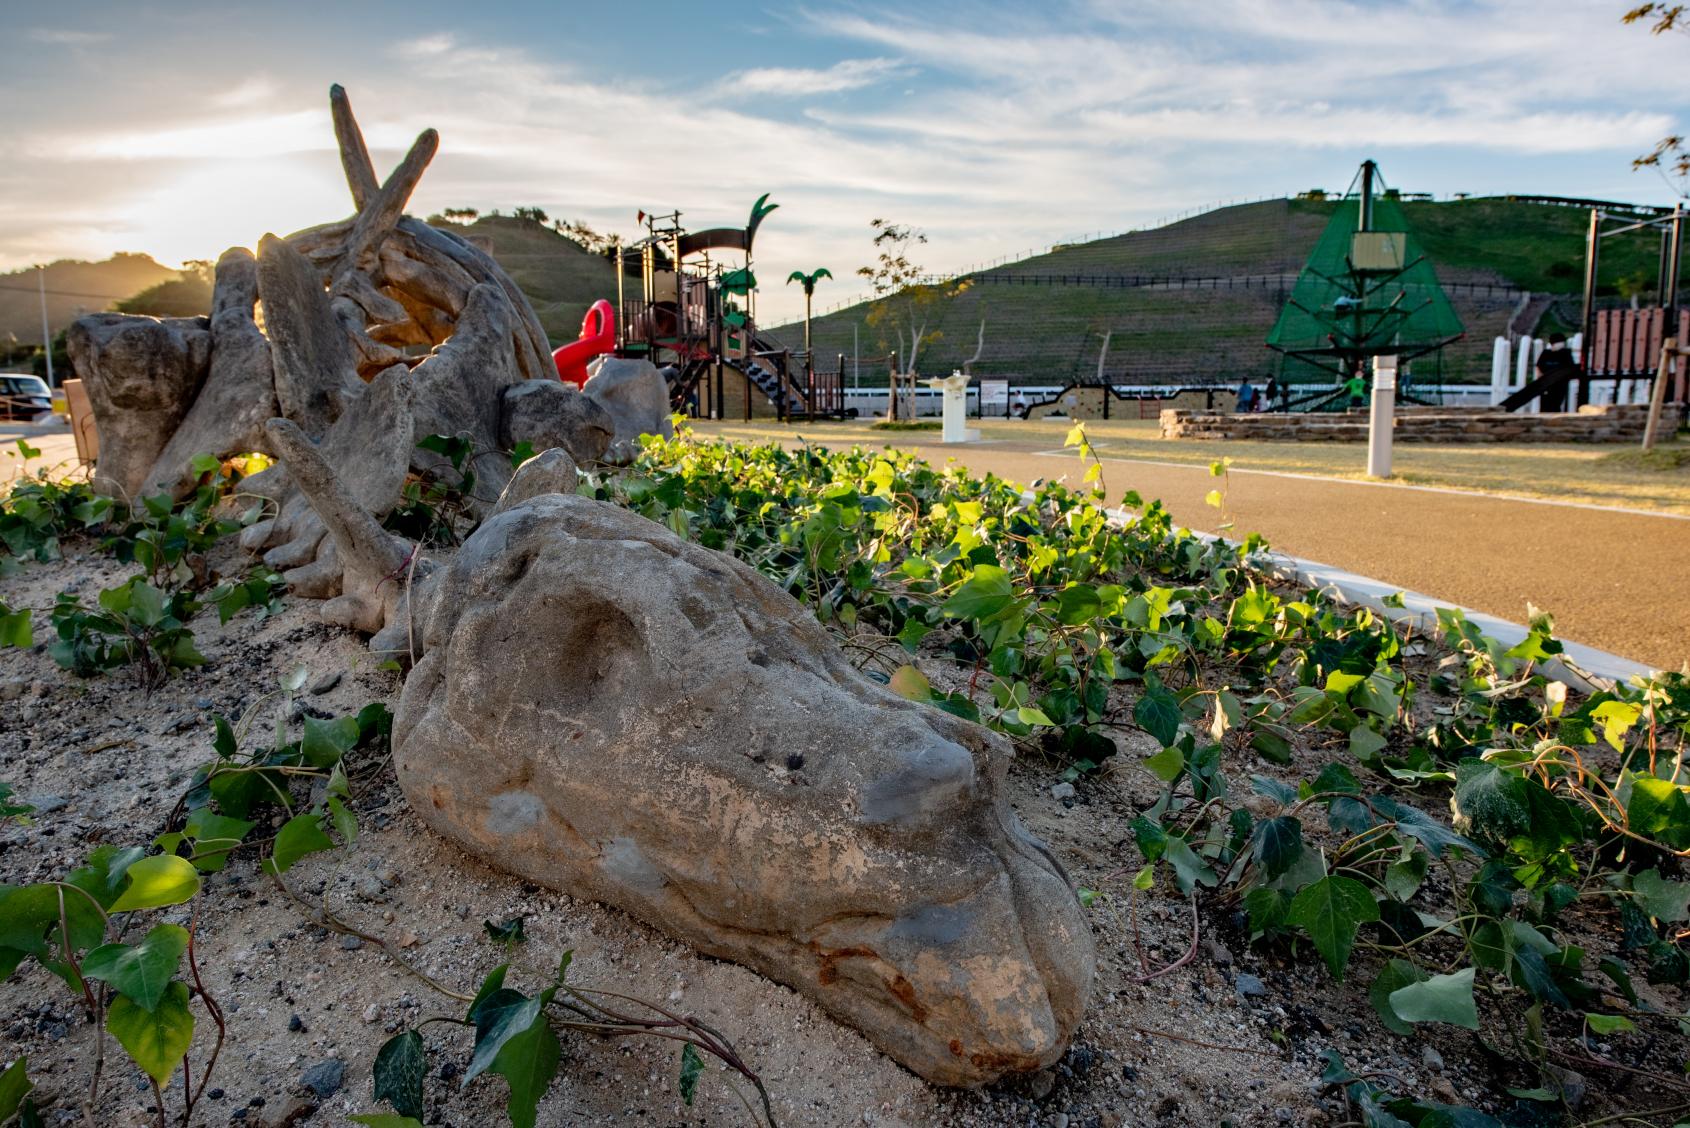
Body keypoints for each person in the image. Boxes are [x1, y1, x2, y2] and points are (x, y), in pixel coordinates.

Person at [1535, 333, 1579, 411]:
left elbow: (1571, 367)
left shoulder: (1565, 353)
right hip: (1546, 384)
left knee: (1556, 404)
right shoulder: (1546, 353)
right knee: (1545, 404)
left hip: (1560, 384)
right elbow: (1539, 366)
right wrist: (1540, 377)